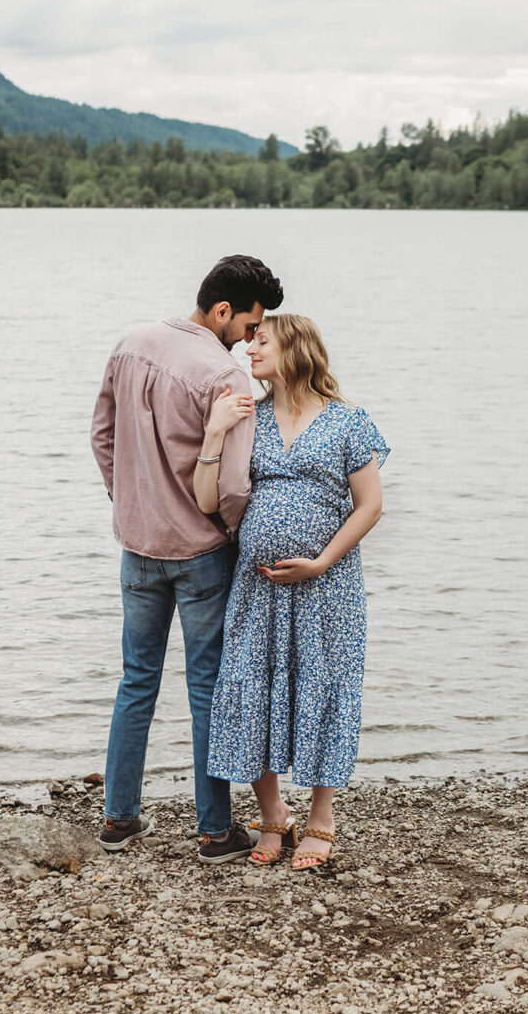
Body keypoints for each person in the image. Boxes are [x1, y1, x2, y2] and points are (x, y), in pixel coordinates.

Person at [91, 254, 284, 863]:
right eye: (251, 327)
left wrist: (130, 502)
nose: (251, 340)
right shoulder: (225, 377)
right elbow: (232, 488)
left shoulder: (130, 343)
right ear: (223, 311)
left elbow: (101, 437)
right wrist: (232, 535)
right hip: (201, 552)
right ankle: (213, 831)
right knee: (208, 688)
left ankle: (119, 819)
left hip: (137, 546)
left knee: (136, 681)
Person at [196, 314, 388, 871]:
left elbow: (370, 505)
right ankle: (274, 813)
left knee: (323, 689)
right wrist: (213, 431)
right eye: (249, 339)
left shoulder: (349, 422)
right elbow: (209, 501)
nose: (248, 348)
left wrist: (322, 561)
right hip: (258, 589)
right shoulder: (245, 419)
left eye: (261, 340)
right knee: (254, 689)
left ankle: (322, 818)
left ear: (296, 350)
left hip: (328, 587)